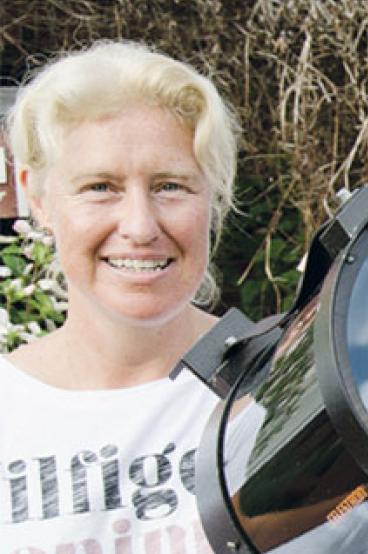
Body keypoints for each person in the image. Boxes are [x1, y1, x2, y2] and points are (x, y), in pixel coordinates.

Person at [1, 41, 238, 552]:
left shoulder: (282, 388)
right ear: (38, 198)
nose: (139, 226)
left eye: (170, 186)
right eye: (100, 187)